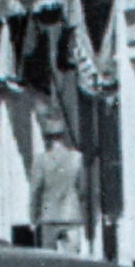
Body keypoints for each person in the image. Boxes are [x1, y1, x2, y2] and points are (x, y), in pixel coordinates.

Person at [29, 108, 86, 252]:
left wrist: (33, 216)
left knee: (49, 258)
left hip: (48, 215)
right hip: (71, 214)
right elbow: (82, 189)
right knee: (73, 258)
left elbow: (35, 190)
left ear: (47, 138)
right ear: (64, 136)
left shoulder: (41, 160)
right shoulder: (76, 158)